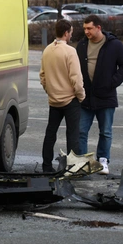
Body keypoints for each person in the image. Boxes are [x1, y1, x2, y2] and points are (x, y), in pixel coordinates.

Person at [76, 15, 123, 175]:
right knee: (81, 131)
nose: (86, 31)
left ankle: (103, 160)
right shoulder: (82, 45)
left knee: (105, 131)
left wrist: (112, 82)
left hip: (106, 96)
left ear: (98, 28)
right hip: (86, 96)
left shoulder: (114, 45)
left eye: (89, 28)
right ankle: (83, 162)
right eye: (84, 28)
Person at [39, 19, 85, 173]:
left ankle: (46, 165)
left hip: (54, 100)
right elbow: (76, 79)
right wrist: (81, 95)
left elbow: (43, 75)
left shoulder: (47, 50)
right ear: (66, 33)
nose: (71, 35)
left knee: (50, 133)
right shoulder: (70, 51)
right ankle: (73, 168)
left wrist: (49, 90)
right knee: (73, 135)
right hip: (70, 99)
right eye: (70, 32)